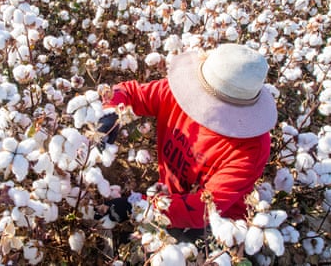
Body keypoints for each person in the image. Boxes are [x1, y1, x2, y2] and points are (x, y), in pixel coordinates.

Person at [95, 43, 278, 242]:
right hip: (169, 196)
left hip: (217, 224)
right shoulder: (179, 94)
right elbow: (130, 93)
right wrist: (109, 114)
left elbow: (203, 209)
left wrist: (138, 206)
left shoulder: (251, 149)